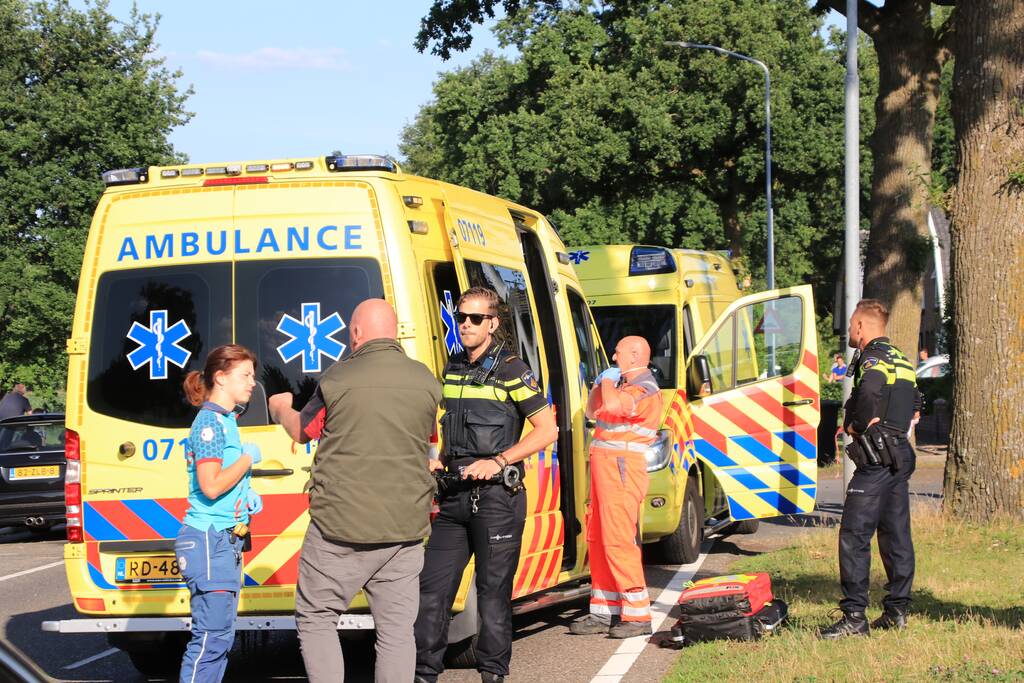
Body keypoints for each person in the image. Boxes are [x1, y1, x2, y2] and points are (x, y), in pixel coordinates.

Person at [268, 299, 441, 683]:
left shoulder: (335, 380)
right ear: (394, 333)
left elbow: (304, 431)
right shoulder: (426, 382)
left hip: (339, 529)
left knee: (316, 617)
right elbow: (429, 445)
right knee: (396, 631)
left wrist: (280, 407)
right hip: (405, 528)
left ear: (357, 334)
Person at [414, 287, 557, 683]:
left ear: (493, 323)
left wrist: (498, 461)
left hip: (496, 499)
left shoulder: (512, 369)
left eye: (475, 318)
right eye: (461, 317)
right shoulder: (453, 366)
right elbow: (452, 430)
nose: (466, 325)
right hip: (453, 496)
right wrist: (439, 459)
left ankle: (492, 674)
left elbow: (547, 430)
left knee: (492, 596)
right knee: (431, 591)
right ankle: (423, 674)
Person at [819, 299, 921, 639]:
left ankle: (854, 617)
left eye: (851, 326)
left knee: (854, 535)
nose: (849, 331)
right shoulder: (902, 359)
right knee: (895, 534)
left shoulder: (874, 358)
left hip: (875, 459)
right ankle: (897, 610)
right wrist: (900, 421)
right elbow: (916, 402)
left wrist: (857, 426)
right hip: (898, 457)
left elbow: (871, 389)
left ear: (861, 327)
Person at [175, 345, 264, 682]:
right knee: (211, 641)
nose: (252, 383)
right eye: (245, 376)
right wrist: (246, 460)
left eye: (253, 376)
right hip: (210, 542)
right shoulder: (210, 423)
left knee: (221, 638)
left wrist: (246, 495)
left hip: (223, 542)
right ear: (220, 378)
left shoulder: (226, 419)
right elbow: (210, 486)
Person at [569, 336, 662, 638]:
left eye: (618, 352)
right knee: (598, 538)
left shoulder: (645, 388)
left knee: (619, 540)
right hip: (606, 468)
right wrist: (600, 384)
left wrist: (607, 384)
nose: (613, 355)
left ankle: (637, 616)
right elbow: (591, 410)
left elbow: (611, 405)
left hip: (622, 469)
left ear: (635, 356)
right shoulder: (620, 384)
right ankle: (604, 611)